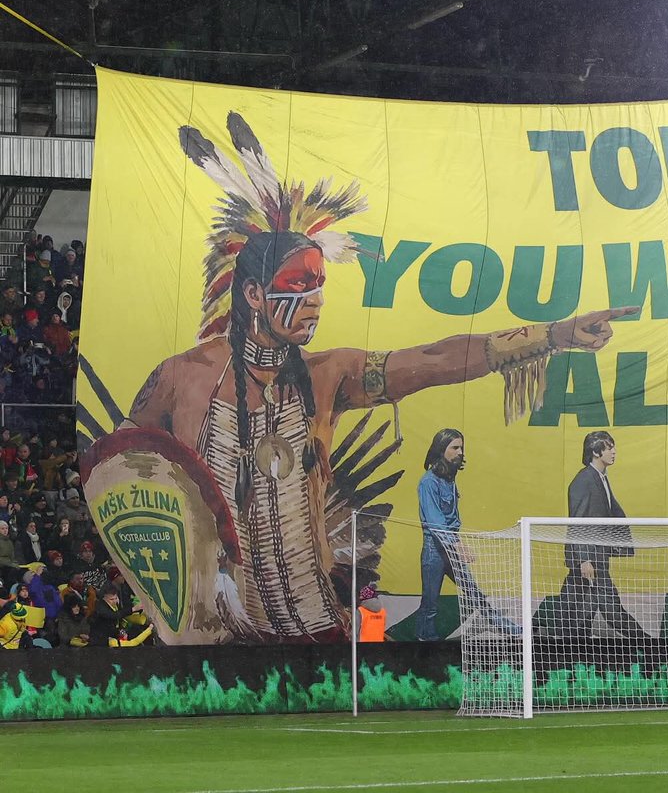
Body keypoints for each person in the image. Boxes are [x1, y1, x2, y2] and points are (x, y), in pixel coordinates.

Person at [94, 112, 634, 643]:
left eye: (320, 285)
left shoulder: (328, 376)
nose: (315, 302)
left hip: (314, 628)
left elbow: (434, 358)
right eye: (298, 285)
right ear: (254, 294)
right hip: (212, 633)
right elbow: (120, 469)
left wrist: (555, 335)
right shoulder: (181, 378)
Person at [414, 428, 518, 641]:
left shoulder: (449, 480)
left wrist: (457, 542)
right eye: (455, 447)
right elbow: (436, 522)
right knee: (430, 602)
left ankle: (501, 625)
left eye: (461, 447)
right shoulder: (428, 482)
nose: (460, 452)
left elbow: (452, 519)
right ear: (441, 449)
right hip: (435, 550)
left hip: (450, 548)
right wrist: (457, 545)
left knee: (474, 592)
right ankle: (424, 638)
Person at [558, 430, 640, 642]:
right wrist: (584, 559)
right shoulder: (584, 480)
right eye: (609, 447)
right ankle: (648, 644)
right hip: (590, 557)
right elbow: (579, 521)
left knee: (573, 607)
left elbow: (611, 512)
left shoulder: (600, 478)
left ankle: (571, 645)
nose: (614, 452)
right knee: (610, 608)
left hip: (596, 555)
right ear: (596, 451)